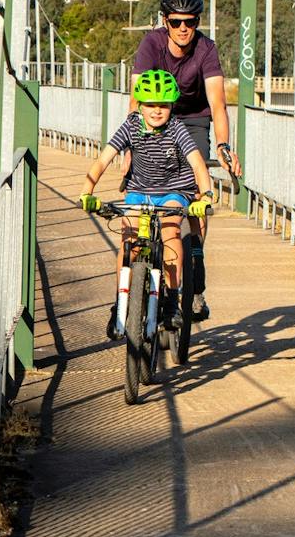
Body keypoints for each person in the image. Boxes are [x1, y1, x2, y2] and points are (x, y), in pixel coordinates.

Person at [130, 0, 240, 319]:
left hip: (192, 120)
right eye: (176, 22)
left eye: (190, 22)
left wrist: (222, 145)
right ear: (165, 21)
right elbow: (136, 102)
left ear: (197, 22)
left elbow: (218, 105)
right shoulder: (151, 44)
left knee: (194, 200)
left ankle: (194, 276)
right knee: (142, 190)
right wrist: (129, 149)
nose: (183, 29)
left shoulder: (206, 49)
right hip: (154, 115)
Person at [80, 69, 215, 339]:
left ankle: (171, 301)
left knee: (170, 231)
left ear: (172, 106)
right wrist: (87, 191)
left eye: (163, 105)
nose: (157, 111)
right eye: (150, 105)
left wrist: (207, 195)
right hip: (140, 191)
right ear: (139, 105)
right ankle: (120, 301)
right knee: (128, 237)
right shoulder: (131, 125)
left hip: (174, 190)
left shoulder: (177, 128)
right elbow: (104, 159)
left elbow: (198, 164)